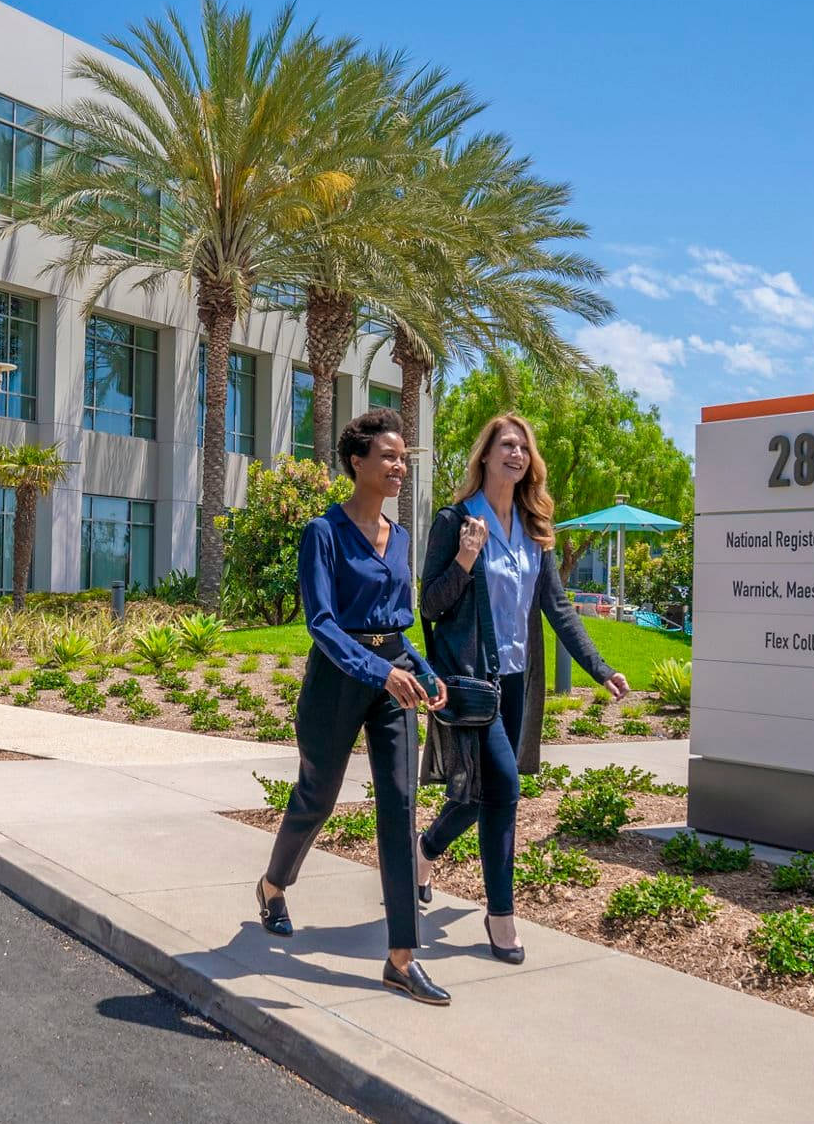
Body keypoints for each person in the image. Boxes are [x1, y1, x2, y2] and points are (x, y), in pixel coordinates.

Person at [255, 409, 452, 1006]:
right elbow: (322, 624)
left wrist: (422, 669)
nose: (399, 467)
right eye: (389, 457)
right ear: (357, 463)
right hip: (338, 682)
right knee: (317, 795)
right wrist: (382, 671)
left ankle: (401, 958)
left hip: (394, 684)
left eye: (403, 459)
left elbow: (398, 625)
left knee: (399, 804)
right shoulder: (324, 533)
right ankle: (272, 886)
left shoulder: (403, 537)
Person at [418, 413, 629, 964]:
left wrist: (599, 668)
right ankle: (501, 914)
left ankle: (425, 849)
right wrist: (466, 557)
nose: (515, 453)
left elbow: (557, 609)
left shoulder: (536, 531)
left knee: (480, 793)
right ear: (485, 456)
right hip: (472, 681)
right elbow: (431, 605)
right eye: (505, 444)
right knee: (505, 789)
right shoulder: (457, 519)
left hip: (517, 683)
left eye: (523, 447)